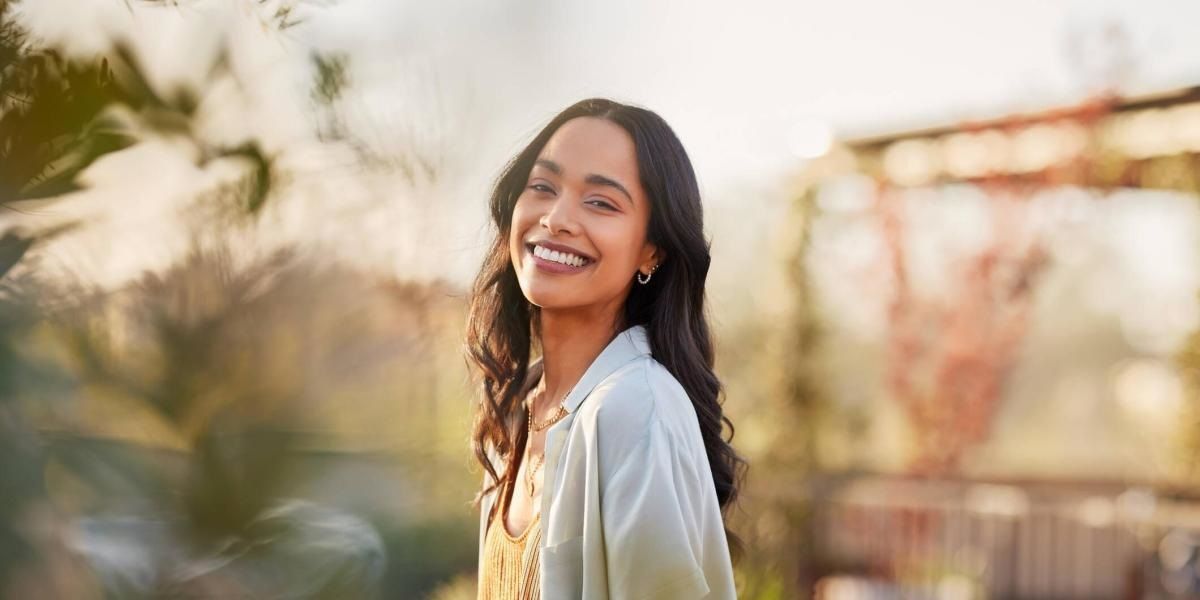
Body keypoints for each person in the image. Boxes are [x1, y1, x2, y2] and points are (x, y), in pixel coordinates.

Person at [465, 97, 745, 599]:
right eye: (542, 187)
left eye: (600, 202)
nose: (556, 219)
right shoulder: (520, 405)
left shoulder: (634, 408)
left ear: (651, 249)